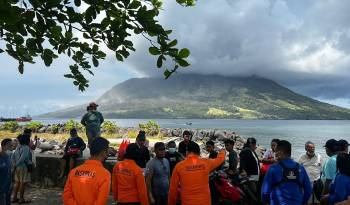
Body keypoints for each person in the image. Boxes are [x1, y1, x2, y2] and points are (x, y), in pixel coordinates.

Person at [261, 140, 312, 205]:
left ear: (281, 152)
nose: (275, 154)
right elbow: (308, 190)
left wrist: (266, 202)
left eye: (276, 151)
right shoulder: (301, 168)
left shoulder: (273, 168)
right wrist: (303, 202)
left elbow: (265, 192)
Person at [63, 137, 111, 205]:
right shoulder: (105, 174)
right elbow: (101, 202)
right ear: (103, 152)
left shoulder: (73, 172)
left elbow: (66, 196)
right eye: (108, 151)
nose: (108, 154)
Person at [11, 134, 32, 204]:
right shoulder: (26, 147)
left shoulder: (18, 147)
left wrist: (15, 165)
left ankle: (14, 198)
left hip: (17, 168)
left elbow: (13, 156)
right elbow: (23, 158)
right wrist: (17, 164)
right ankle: (21, 198)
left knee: (17, 182)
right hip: (23, 167)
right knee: (23, 183)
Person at [0, 139, 12, 205]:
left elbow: (9, 171)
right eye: (9, 145)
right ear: (3, 146)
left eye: (11, 145)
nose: (11, 146)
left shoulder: (8, 157)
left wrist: (11, 183)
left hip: (8, 186)